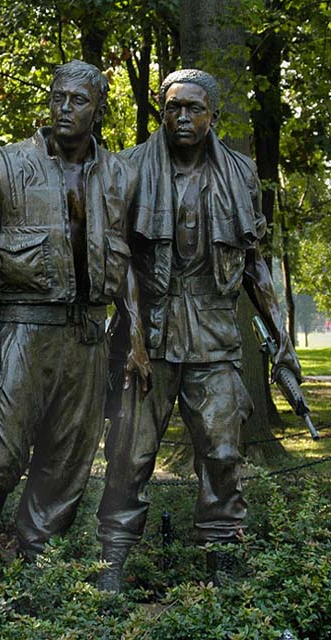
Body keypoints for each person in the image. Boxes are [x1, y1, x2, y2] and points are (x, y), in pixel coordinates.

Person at [0, 59, 150, 634]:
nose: (64, 108)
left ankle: (36, 577)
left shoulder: (119, 174)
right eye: (57, 97)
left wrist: (137, 336)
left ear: (99, 109)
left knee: (66, 464)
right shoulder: (8, 164)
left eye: (78, 100)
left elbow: (127, 264)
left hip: (89, 338)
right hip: (22, 330)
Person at [96, 68, 302, 591]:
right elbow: (118, 261)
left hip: (213, 331)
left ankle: (222, 565)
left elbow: (253, 260)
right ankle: (112, 567)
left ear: (213, 114)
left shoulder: (240, 173)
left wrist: (279, 333)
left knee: (223, 451)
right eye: (172, 108)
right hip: (148, 328)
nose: (182, 117)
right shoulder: (129, 169)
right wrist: (136, 339)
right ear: (162, 112)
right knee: (130, 452)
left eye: (193, 108)